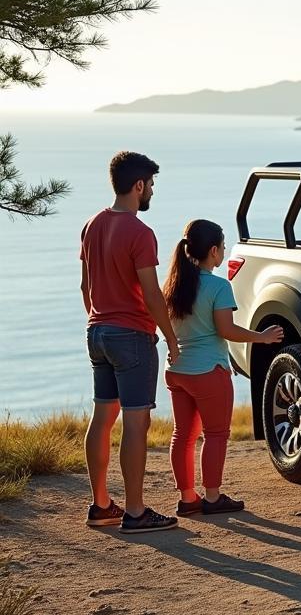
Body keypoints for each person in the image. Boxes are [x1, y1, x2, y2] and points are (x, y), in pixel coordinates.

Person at [81, 151, 180, 533]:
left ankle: (101, 504)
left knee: (102, 418)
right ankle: (136, 511)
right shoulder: (140, 232)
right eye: (151, 184)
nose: (151, 190)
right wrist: (170, 338)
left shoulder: (91, 224)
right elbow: (152, 294)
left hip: (98, 331)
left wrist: (98, 319)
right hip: (132, 336)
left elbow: (85, 286)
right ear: (138, 185)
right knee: (136, 423)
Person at [162, 219, 283, 516]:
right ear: (213, 251)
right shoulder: (218, 286)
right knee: (216, 434)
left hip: (176, 371)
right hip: (209, 372)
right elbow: (226, 330)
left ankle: (188, 498)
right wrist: (262, 337)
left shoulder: (173, 284)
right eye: (224, 247)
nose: (225, 252)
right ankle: (213, 498)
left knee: (183, 435)